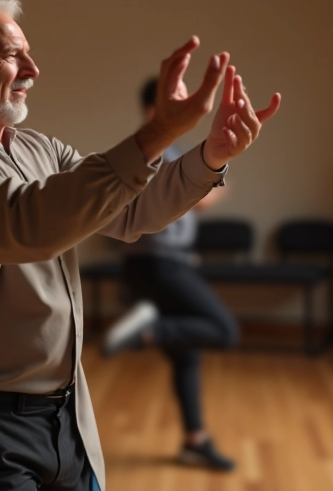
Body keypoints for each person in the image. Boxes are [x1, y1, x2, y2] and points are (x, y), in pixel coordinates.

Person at [0, 0, 281, 491]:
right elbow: (30, 224)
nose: (33, 68)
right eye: (13, 55)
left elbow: (132, 210)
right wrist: (160, 129)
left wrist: (209, 157)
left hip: (66, 417)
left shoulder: (41, 147)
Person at [101, 76, 240, 471]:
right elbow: (195, 198)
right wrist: (215, 188)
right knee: (224, 330)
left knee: (187, 356)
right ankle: (142, 331)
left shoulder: (165, 147)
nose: (192, 110)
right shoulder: (153, 148)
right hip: (158, 264)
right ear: (153, 111)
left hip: (157, 264)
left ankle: (195, 440)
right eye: (178, 102)